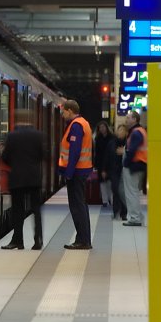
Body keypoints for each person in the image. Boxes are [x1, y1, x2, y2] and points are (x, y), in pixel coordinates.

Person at [0, 109, 46, 250]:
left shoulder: (12, 136)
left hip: (17, 178)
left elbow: (4, 157)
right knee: (36, 210)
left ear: (17, 119)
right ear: (30, 119)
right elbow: (43, 155)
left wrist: (14, 164)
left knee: (18, 211)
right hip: (34, 178)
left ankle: (18, 241)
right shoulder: (38, 135)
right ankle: (38, 240)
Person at [58, 100, 93, 250]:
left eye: (64, 111)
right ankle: (83, 239)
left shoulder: (76, 125)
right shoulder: (83, 123)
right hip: (81, 170)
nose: (62, 114)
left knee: (77, 206)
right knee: (80, 205)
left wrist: (69, 172)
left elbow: (74, 151)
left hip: (77, 171)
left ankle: (83, 241)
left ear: (70, 110)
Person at [121, 110, 147, 226]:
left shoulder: (136, 133)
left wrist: (126, 163)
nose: (126, 120)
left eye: (128, 118)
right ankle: (135, 216)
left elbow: (132, 150)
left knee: (131, 193)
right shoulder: (139, 131)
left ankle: (134, 218)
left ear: (134, 120)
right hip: (139, 164)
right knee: (133, 192)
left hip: (134, 165)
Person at [93, 121, 115, 208]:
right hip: (100, 162)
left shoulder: (112, 138)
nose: (102, 129)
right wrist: (96, 164)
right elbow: (97, 152)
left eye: (103, 127)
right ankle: (105, 201)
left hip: (110, 163)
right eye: (100, 127)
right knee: (102, 182)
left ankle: (112, 200)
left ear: (107, 127)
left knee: (110, 182)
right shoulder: (98, 138)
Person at [110, 123, 128, 220]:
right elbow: (108, 156)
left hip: (124, 169)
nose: (120, 132)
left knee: (123, 191)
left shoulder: (127, 143)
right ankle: (116, 211)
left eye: (122, 130)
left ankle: (124, 212)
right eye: (119, 130)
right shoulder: (112, 142)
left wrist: (124, 151)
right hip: (114, 170)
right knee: (115, 190)